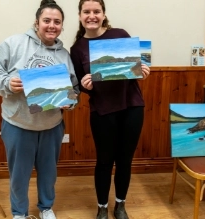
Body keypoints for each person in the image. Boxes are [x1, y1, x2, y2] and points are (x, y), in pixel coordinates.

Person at [0, 1, 79, 219]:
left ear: (62, 26)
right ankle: (19, 213)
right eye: (47, 20)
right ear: (36, 22)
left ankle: (46, 208)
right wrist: (8, 83)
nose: (51, 25)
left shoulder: (64, 54)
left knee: (49, 173)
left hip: (52, 126)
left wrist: (70, 101)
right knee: (19, 175)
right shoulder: (14, 43)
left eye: (57, 22)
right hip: (18, 124)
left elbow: (74, 88)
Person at [70, 1, 150, 219]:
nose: (92, 16)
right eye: (87, 12)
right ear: (80, 16)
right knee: (104, 161)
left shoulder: (120, 34)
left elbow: (136, 68)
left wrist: (143, 70)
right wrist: (85, 86)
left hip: (132, 106)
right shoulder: (77, 48)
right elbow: (78, 84)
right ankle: (102, 207)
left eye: (96, 11)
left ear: (104, 14)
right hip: (103, 110)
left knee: (125, 160)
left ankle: (120, 205)